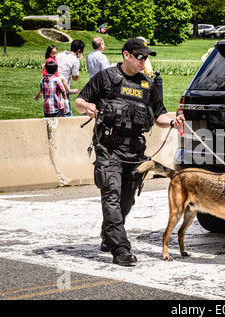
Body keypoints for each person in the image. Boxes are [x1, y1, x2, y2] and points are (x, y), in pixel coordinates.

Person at [75, 38, 185, 266]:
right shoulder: (106, 78)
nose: (143, 61)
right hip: (108, 148)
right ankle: (121, 249)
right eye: (140, 57)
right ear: (126, 55)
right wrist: (87, 108)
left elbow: (159, 117)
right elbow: (79, 101)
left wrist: (173, 121)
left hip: (134, 151)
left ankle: (109, 234)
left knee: (127, 199)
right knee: (111, 195)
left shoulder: (147, 84)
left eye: (146, 58)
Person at [57, 39, 86, 116]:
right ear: (79, 51)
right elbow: (75, 78)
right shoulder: (75, 60)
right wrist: (78, 61)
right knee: (67, 115)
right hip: (63, 90)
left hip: (53, 86)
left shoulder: (59, 55)